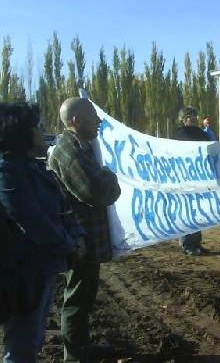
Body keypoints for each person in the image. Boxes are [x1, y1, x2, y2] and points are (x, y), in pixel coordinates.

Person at [0, 103, 84, 362]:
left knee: (33, 337)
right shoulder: (8, 175)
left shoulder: (32, 168)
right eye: (36, 126)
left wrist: (76, 234)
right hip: (23, 273)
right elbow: (35, 222)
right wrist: (69, 245)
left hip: (41, 268)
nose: (41, 130)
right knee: (23, 342)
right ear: (21, 134)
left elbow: (62, 208)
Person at [48, 97, 121, 362]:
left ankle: (81, 346)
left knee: (85, 295)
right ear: (76, 121)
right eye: (93, 116)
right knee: (78, 297)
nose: (99, 121)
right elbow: (95, 191)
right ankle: (75, 356)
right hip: (80, 241)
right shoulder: (68, 152)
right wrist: (111, 177)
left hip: (87, 238)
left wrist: (105, 177)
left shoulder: (83, 147)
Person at [173, 107, 211, 255]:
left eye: (195, 115)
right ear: (183, 119)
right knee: (188, 211)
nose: (193, 118)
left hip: (199, 178)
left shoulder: (201, 133)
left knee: (197, 212)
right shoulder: (179, 133)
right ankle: (187, 244)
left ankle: (196, 243)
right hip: (185, 178)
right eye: (190, 116)